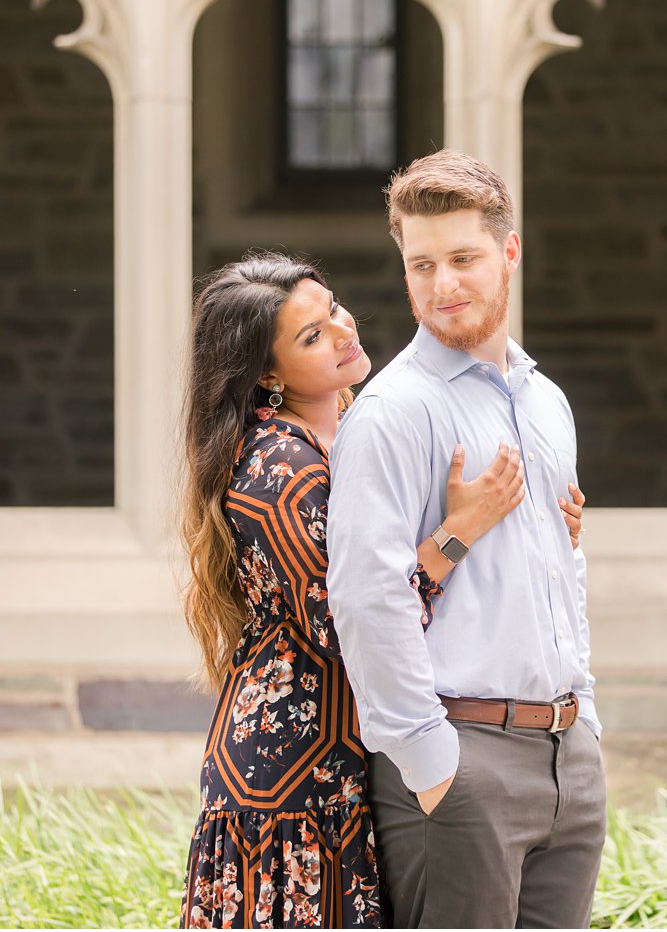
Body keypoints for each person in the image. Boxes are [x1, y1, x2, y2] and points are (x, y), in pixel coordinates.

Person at [178, 252, 548, 927]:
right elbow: (345, 619)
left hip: (344, 764)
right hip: (289, 783)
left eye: (334, 310)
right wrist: (459, 531)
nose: (345, 331)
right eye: (311, 336)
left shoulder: (353, 419)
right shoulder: (278, 466)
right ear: (266, 372)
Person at [325, 150, 606, 929]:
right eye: (422, 264)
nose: (443, 283)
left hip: (566, 756)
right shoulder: (392, 413)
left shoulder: (546, 401)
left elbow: (561, 566)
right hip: (460, 757)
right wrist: (430, 761)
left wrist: (584, 717)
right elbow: (366, 595)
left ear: (509, 251)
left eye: (463, 258)